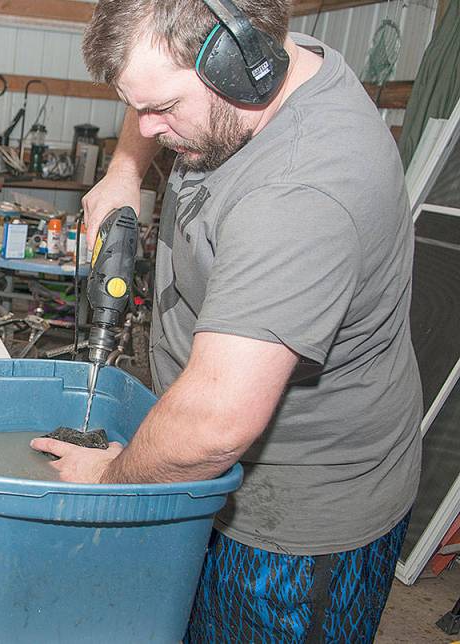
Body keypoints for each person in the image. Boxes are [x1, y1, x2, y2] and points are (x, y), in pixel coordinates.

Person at [31, 0, 422, 641]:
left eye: (164, 109)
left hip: (292, 524)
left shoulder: (299, 199)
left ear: (244, 67)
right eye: (138, 106)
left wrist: (108, 477)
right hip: (212, 481)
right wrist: (125, 171)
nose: (147, 127)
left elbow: (213, 428)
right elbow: (155, 97)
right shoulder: (271, 59)